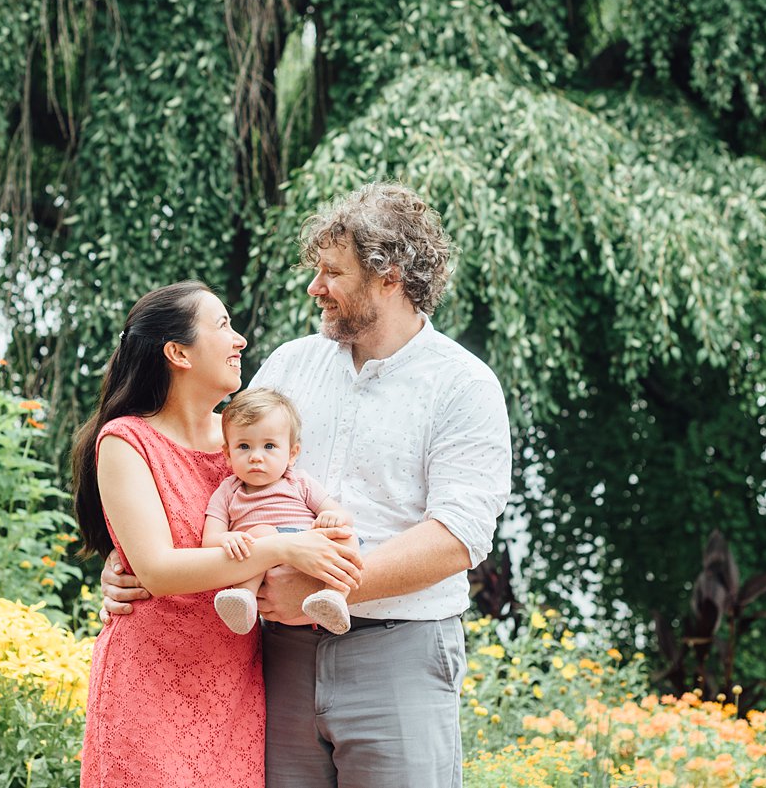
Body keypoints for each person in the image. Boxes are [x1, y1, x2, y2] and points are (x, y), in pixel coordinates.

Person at [103, 183, 513, 788]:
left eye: (331, 273)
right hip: (276, 658)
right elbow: (207, 473)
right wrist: (133, 558)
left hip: (397, 654)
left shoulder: (463, 386)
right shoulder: (290, 366)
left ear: (388, 277)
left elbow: (458, 536)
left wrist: (325, 590)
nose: (314, 287)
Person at [72, 280, 364, 788]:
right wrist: (278, 546)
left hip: (235, 686)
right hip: (148, 684)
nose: (240, 341)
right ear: (178, 352)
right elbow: (158, 570)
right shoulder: (126, 440)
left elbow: (295, 503)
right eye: (223, 325)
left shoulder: (245, 440)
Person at [204, 387, 357, 636]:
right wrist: (226, 538)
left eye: (269, 446)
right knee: (262, 532)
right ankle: (244, 598)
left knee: (344, 534)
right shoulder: (228, 490)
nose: (256, 457)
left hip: (309, 551)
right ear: (227, 454)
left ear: (292, 453)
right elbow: (209, 540)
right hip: (264, 562)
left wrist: (333, 518)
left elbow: (342, 516)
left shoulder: (299, 482)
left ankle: (333, 597)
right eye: (244, 446)